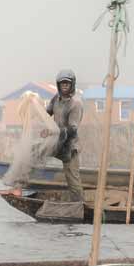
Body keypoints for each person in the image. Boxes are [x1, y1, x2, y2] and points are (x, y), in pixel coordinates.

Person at [43, 70, 85, 204]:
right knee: (32, 152)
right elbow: (46, 114)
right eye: (62, 83)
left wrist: (53, 132)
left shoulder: (76, 103)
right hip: (55, 142)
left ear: (72, 84)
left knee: (72, 179)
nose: (64, 85)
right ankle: (18, 186)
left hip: (69, 146)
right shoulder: (56, 98)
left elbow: (72, 129)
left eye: (67, 83)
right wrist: (32, 104)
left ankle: (78, 205)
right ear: (58, 85)